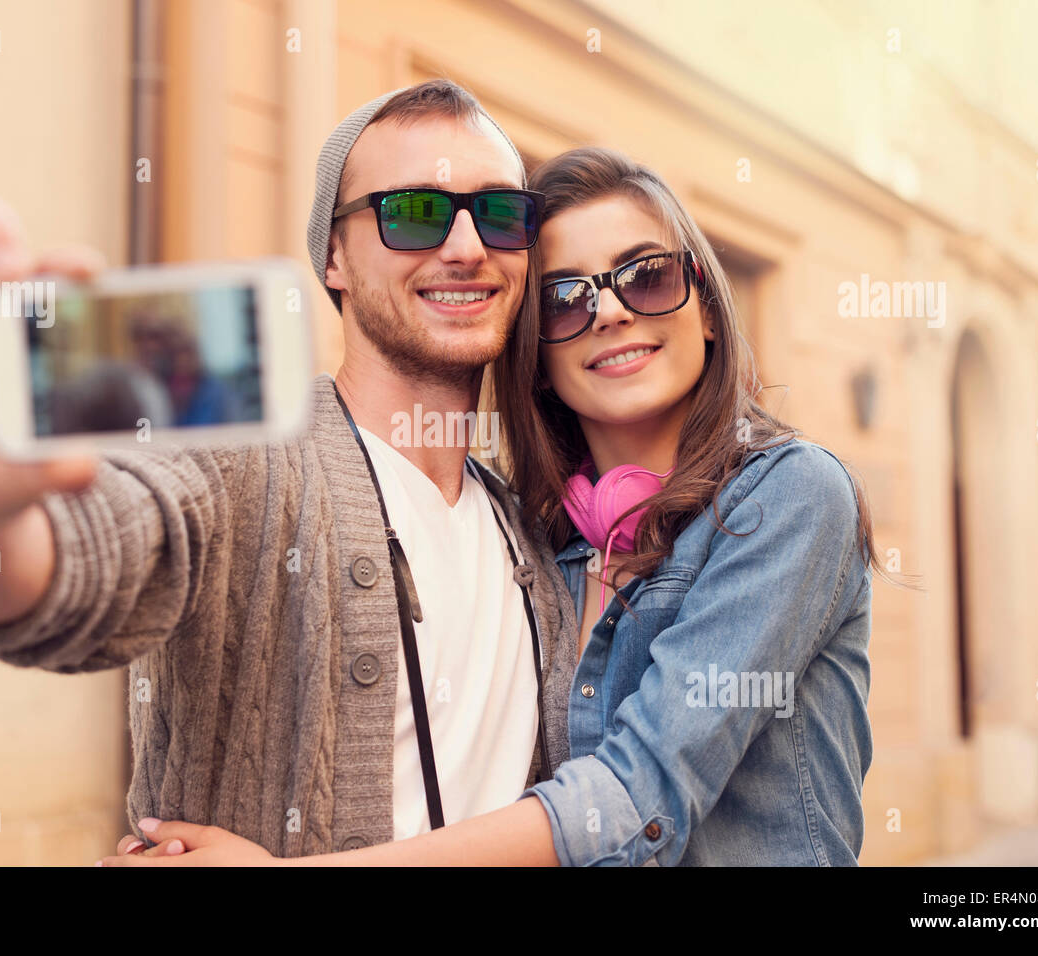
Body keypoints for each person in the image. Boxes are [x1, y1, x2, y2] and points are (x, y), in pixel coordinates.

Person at [0, 80, 581, 858]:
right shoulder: (243, 450)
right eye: (414, 213)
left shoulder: (531, 538)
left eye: (502, 214)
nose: (467, 246)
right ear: (332, 255)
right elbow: (90, 562)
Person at [104, 147, 878, 866]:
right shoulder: (538, 542)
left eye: (644, 276)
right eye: (567, 299)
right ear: (536, 355)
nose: (609, 313)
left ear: (705, 309)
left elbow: (638, 793)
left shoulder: (791, 496)